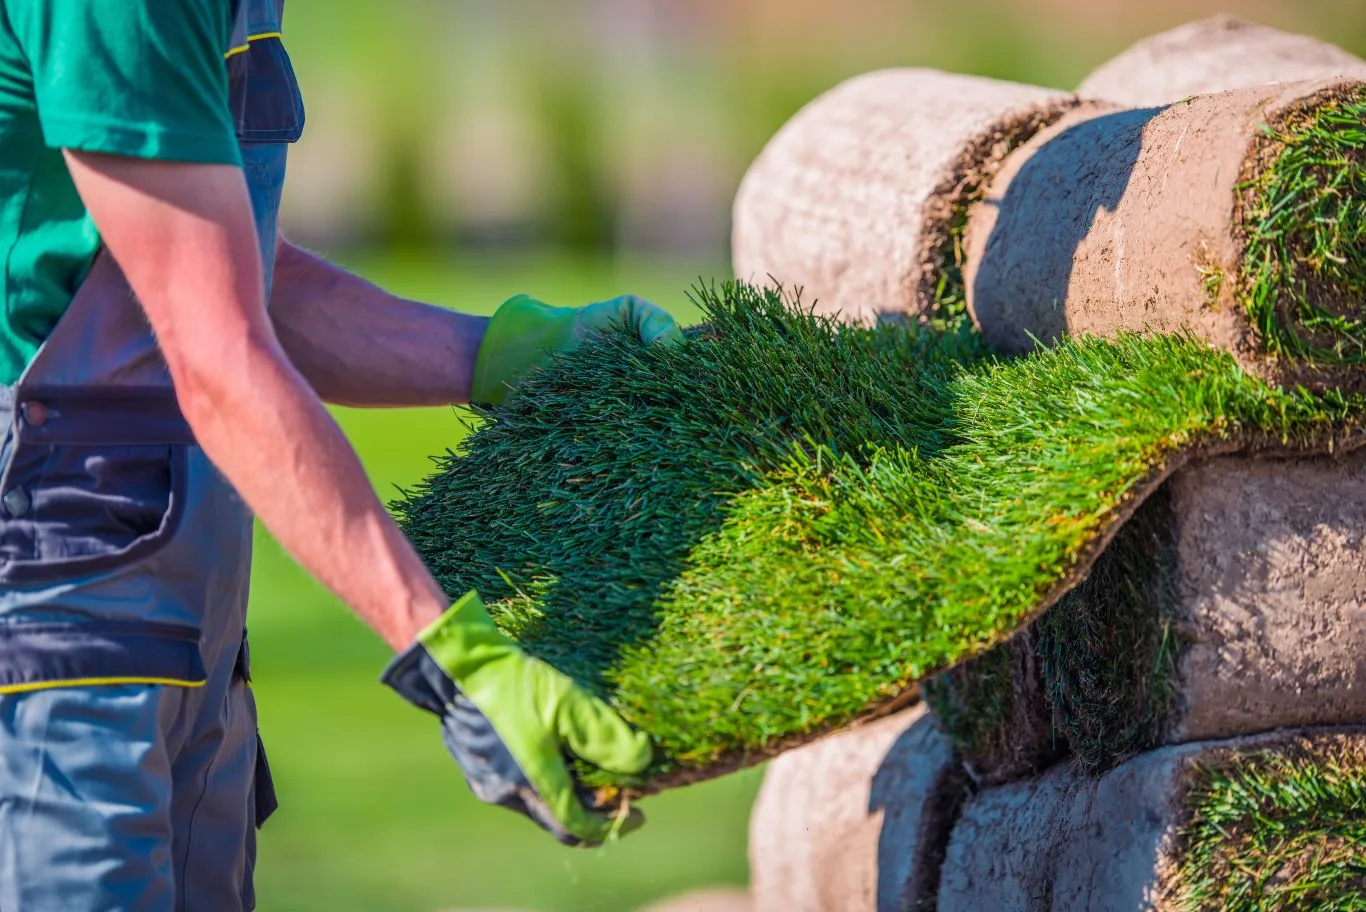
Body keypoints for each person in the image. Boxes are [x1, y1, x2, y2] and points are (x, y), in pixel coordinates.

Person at [0, 2, 681, 909]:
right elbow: (218, 354)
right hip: (51, 627)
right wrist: (455, 659)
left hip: (179, 615)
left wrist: (500, 353)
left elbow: (234, 278)